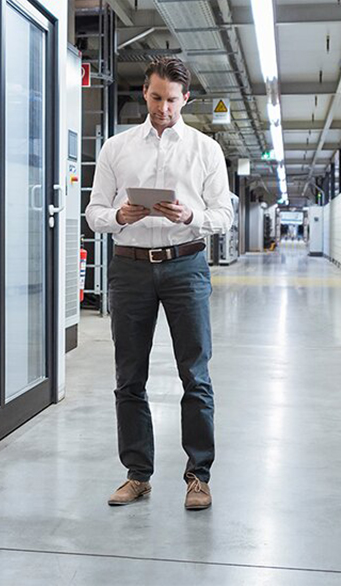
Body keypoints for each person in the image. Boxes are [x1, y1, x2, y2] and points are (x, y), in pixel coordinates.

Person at [85, 56, 234, 511]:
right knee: (129, 376)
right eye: (155, 97)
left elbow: (223, 216)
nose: (163, 107)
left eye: (171, 100)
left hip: (186, 265)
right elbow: (94, 213)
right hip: (130, 268)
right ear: (144, 94)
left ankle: (198, 476)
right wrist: (119, 216)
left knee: (195, 373)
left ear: (185, 98)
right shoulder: (117, 148)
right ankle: (137, 474)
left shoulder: (206, 150)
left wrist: (191, 215)